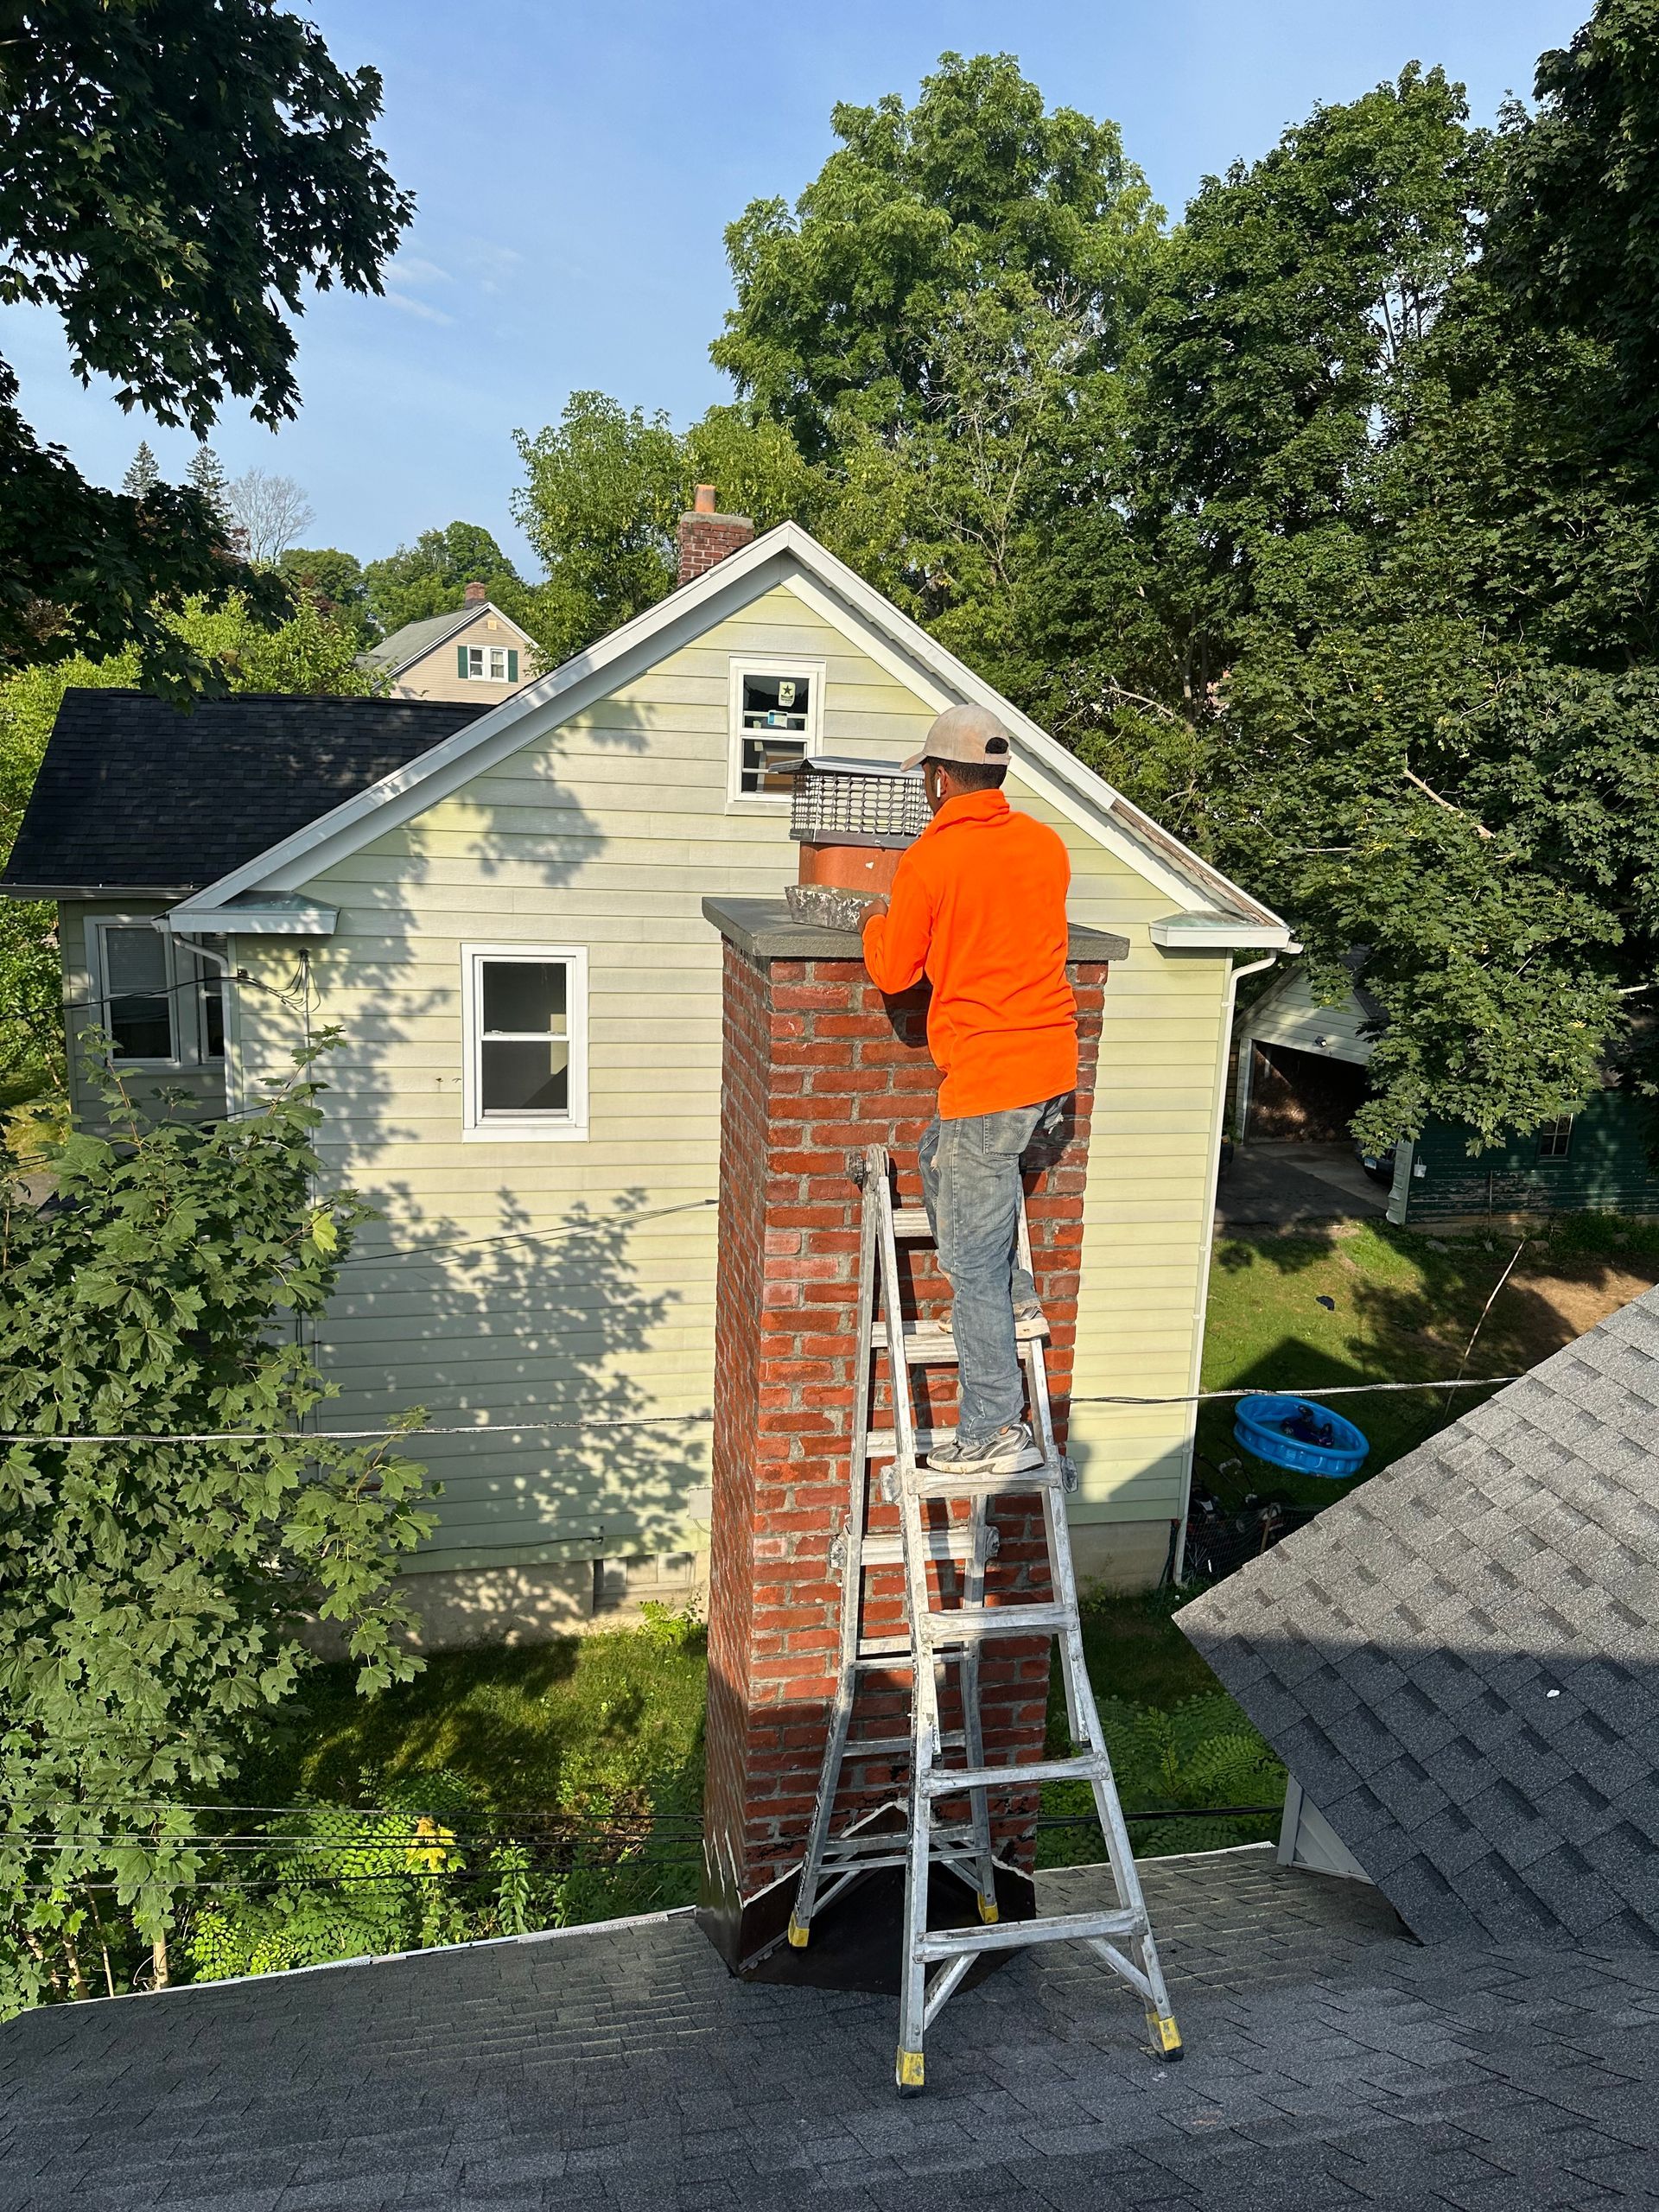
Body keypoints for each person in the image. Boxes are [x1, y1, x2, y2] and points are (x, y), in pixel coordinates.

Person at [861, 703, 1077, 1475]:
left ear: (940, 777)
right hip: (1052, 1074)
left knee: (969, 1267)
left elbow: (893, 971)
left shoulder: (931, 859)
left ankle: (994, 1428)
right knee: (935, 1155)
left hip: (991, 1080)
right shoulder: (1045, 846)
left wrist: (871, 925)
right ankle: (1017, 1292)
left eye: (926, 775)